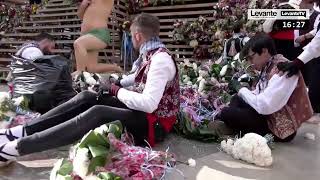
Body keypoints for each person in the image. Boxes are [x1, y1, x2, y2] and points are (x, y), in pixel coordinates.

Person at [0, 13, 180, 166]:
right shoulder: (151, 54)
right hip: (143, 113)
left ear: (138, 36)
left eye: (132, 35)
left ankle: (14, 149)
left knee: (98, 112)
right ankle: (19, 132)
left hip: (154, 125)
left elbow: (148, 104)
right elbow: (135, 78)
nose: (132, 39)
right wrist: (110, 84)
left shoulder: (160, 60)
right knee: (87, 96)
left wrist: (115, 90)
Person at [215, 33, 313, 142]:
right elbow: (258, 94)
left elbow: (264, 106)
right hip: (267, 116)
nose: (250, 62)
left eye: (251, 57)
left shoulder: (283, 69)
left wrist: (240, 89)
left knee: (227, 112)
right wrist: (242, 92)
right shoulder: (268, 65)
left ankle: (231, 126)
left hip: (277, 127)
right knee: (237, 99)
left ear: (265, 51)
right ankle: (232, 126)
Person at [73, 0, 122, 76]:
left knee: (79, 43)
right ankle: (115, 67)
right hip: (87, 36)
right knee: (92, 68)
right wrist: (83, 5)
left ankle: (80, 73)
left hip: (99, 33)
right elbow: (80, 16)